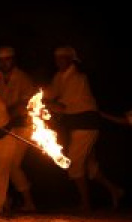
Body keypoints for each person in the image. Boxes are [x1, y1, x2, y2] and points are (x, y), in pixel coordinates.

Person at [44, 46, 124, 212]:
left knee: (74, 165)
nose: (58, 61)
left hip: (86, 125)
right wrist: (36, 98)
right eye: (56, 58)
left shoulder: (78, 78)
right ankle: (115, 190)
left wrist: (42, 104)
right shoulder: (60, 77)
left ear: (70, 60)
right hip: (78, 126)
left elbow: (62, 106)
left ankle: (86, 204)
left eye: (62, 58)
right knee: (89, 166)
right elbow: (50, 94)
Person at [0, 46, 36, 215]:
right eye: (1, 60)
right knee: (1, 164)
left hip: (22, 126)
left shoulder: (23, 78)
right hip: (2, 127)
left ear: (13, 60)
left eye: (7, 59)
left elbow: (27, 103)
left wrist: (7, 110)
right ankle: (5, 201)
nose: (4, 63)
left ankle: (28, 202)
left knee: (12, 164)